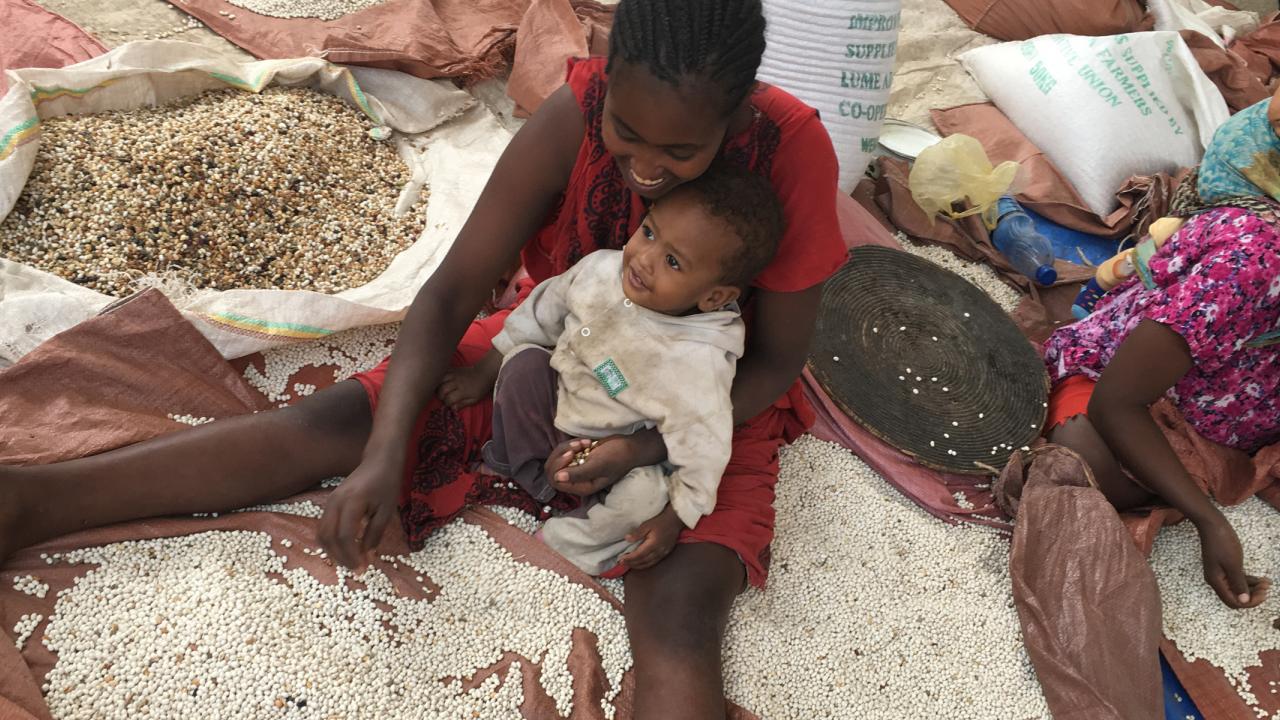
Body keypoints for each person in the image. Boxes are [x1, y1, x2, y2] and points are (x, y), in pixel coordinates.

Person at [0, 0, 846, 716]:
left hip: (698, 410)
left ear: (735, 116)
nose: (647, 170)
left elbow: (773, 365)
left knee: (679, 619)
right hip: (555, 357)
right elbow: (448, 296)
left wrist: (650, 450)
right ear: (608, 77)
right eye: (627, 135)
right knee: (338, 417)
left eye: (680, 154)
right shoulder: (572, 115)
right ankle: (32, 502)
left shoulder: (791, 152)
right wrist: (381, 455)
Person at [451, 165, 783, 577]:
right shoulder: (601, 270)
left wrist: (676, 518)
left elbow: (704, 444)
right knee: (522, 365)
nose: (644, 259)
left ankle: (563, 544)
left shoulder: (699, 359)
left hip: (616, 454)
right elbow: (541, 311)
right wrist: (485, 370)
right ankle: (513, 469)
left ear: (713, 296)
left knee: (644, 496)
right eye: (648, 231)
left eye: (673, 262)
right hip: (558, 408)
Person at [1043, 94, 1280, 611]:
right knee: (1082, 455)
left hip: (1228, 388)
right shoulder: (1252, 259)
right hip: (1140, 387)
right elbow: (1117, 402)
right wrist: (1207, 520)